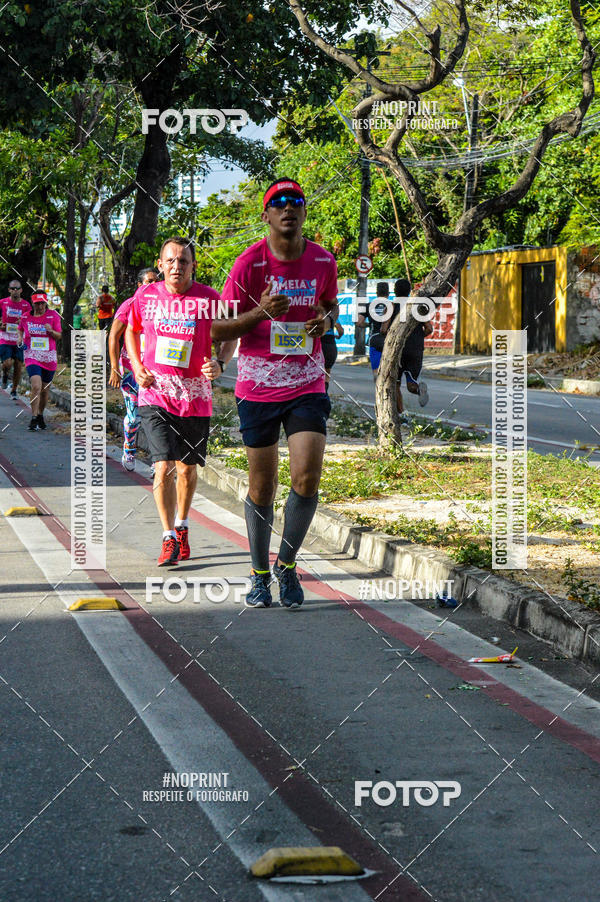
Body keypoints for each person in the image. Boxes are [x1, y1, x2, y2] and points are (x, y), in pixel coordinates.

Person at [212, 178, 339, 609]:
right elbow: (218, 326)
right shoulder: (248, 264)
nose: (289, 208)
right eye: (278, 202)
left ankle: (287, 564)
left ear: (304, 212)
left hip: (307, 382)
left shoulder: (323, 259)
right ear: (266, 214)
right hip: (258, 386)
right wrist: (260, 312)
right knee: (262, 486)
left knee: (306, 476)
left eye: (296, 202)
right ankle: (259, 573)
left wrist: (324, 321)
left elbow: (329, 306)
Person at [126, 238, 236, 566]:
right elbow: (130, 331)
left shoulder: (208, 298)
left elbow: (231, 333)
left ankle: (183, 525)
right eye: (170, 261)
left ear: (193, 266)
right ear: (160, 265)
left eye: (183, 261)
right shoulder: (145, 296)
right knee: (163, 465)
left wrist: (221, 362)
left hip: (195, 396)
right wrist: (136, 365)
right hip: (156, 393)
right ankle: (167, 537)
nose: (177, 266)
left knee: (187, 469)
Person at [108, 267, 157, 471]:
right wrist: (114, 369)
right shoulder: (130, 305)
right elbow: (114, 337)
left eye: (156, 281)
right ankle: (129, 449)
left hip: (156, 371)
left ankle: (158, 461)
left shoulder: (164, 306)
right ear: (139, 285)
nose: (153, 285)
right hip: (130, 370)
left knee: (157, 417)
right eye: (148, 281)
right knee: (134, 416)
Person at [382, 278, 431, 412]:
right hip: (416, 349)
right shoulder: (417, 307)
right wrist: (418, 337)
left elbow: (384, 329)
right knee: (411, 384)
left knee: (395, 384)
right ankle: (418, 390)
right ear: (410, 291)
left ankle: (401, 413)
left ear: (395, 291)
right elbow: (429, 329)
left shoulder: (391, 306)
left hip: (397, 350)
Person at [18, 291, 62, 430]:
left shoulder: (53, 315)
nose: (40, 306)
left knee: (44, 390)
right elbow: (20, 329)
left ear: (46, 302)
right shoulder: (25, 316)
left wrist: (51, 331)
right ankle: (34, 417)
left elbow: (58, 336)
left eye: (42, 303)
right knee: (36, 386)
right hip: (31, 355)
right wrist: (20, 337)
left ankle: (41, 414)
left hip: (49, 357)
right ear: (33, 303)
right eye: (37, 303)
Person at [0, 280, 31, 399]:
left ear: (21, 290)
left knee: (18, 364)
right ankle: (5, 374)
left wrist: (23, 322)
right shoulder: (2, 302)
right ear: (9, 290)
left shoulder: (26, 305)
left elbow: (30, 321)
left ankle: (14, 390)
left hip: (19, 338)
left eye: (17, 288)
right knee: (7, 363)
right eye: (12, 288)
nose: (15, 290)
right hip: (5, 337)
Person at [357, 281, 390, 380]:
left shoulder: (368, 306)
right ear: (388, 293)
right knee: (388, 370)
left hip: (374, 340)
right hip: (389, 341)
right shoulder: (392, 306)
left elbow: (359, 323)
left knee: (376, 371)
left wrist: (369, 325)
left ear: (376, 293)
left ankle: (378, 390)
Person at [321, 317, 344, 390]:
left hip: (318, 341)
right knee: (327, 370)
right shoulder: (332, 315)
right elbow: (340, 330)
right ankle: (325, 392)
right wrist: (339, 336)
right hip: (330, 342)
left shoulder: (315, 313)